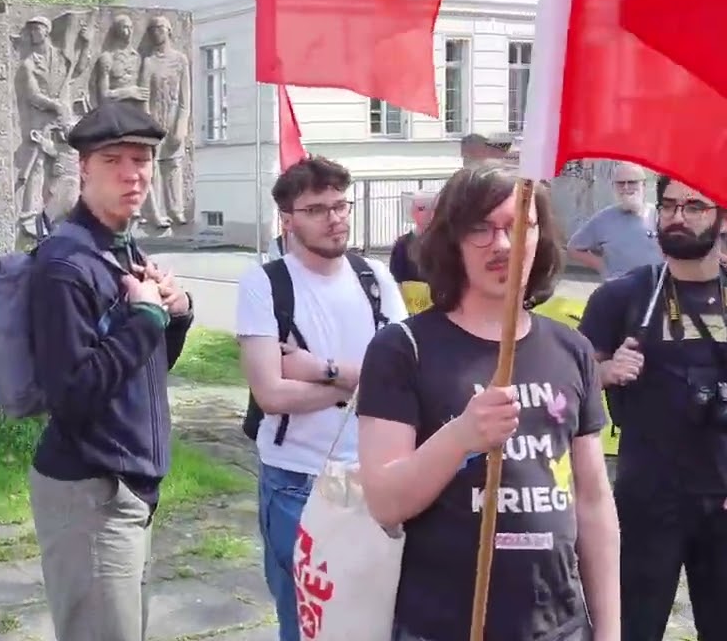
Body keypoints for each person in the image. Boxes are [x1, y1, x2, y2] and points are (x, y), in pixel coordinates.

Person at [357, 163, 620, 641]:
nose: (502, 244)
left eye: (519, 225)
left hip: (558, 625)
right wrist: (461, 436)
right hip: (445, 624)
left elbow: (593, 501)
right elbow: (385, 502)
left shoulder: (571, 349)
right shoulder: (403, 349)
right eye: (481, 228)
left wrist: (610, 631)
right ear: (452, 240)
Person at [27, 100, 194, 641]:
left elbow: (144, 372)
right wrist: (144, 316)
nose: (133, 173)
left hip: (129, 487)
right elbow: (72, 394)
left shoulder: (120, 248)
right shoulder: (64, 265)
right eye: (113, 160)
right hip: (91, 491)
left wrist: (175, 314)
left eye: (142, 158)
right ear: (83, 169)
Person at [236, 156, 408, 641]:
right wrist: (358, 383)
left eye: (340, 205)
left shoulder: (374, 277)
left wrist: (322, 370)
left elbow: (401, 380)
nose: (335, 218)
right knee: (308, 623)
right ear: (288, 221)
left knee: (378, 619)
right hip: (298, 480)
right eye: (317, 209)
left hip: (377, 474)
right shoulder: (266, 283)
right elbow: (271, 393)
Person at [578, 175, 727, 640]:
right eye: (668, 206)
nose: (677, 216)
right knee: (630, 629)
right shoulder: (622, 297)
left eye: (694, 206)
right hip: (647, 498)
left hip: (723, 497)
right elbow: (564, 385)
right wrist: (605, 372)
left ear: (721, 217)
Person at [567, 161, 662, 281]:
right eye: (621, 183)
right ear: (614, 186)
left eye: (632, 182)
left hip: (656, 289)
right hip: (618, 291)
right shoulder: (603, 219)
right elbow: (573, 248)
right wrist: (602, 266)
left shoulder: (659, 216)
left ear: (643, 185)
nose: (626, 187)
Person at [389, 189, 437, 315]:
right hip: (410, 312)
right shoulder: (402, 244)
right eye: (415, 208)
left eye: (421, 208)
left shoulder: (448, 243)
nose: (414, 213)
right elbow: (395, 281)